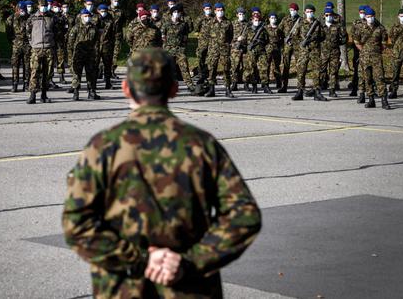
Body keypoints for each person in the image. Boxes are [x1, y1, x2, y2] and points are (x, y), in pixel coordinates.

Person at [62, 48, 262, 299]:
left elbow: (77, 224)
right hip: (190, 288)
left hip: (122, 289)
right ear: (174, 90)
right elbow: (244, 215)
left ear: (126, 89)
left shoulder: (103, 147)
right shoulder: (201, 145)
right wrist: (191, 261)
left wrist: (139, 261)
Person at [353, 7, 391, 109]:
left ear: (374, 16)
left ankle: (384, 100)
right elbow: (356, 41)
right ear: (365, 17)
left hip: (376, 58)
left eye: (372, 16)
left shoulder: (380, 28)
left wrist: (377, 51)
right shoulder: (360, 28)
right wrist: (363, 50)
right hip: (365, 58)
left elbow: (384, 43)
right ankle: (371, 99)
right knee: (367, 79)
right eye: (368, 17)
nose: (370, 18)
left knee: (380, 78)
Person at [292, 4, 327, 101]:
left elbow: (323, 36)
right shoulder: (301, 23)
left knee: (316, 71)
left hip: (315, 51)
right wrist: (301, 45)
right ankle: (299, 91)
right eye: (307, 11)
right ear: (304, 12)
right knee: (301, 71)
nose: (309, 13)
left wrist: (315, 40)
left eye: (311, 11)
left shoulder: (317, 23)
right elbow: (295, 36)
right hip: (303, 51)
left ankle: (317, 92)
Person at [26, 0, 56, 104]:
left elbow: (56, 32)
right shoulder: (32, 18)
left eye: (45, 5)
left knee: (47, 73)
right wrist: (33, 43)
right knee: (34, 72)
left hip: (48, 48)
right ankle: (32, 95)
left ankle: (44, 95)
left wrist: (52, 43)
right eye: (42, 5)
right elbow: (28, 32)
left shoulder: (52, 18)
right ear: (38, 6)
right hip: (36, 48)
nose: (43, 7)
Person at [68, 9, 101, 101]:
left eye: (88, 16)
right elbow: (70, 43)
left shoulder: (94, 28)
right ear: (81, 16)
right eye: (85, 16)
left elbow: (97, 42)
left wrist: (96, 54)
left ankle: (91, 92)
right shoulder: (76, 28)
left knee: (91, 74)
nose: (87, 18)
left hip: (90, 55)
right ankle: (76, 92)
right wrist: (71, 56)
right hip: (78, 55)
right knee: (76, 74)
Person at [161, 3, 195, 93]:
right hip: (169, 49)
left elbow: (185, 36)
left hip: (180, 49)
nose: (177, 13)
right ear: (172, 13)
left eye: (178, 12)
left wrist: (183, 46)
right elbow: (162, 36)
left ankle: (190, 85)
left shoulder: (183, 25)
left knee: (184, 67)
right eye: (175, 12)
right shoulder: (166, 24)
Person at [205, 3, 233, 97]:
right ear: (215, 11)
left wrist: (227, 44)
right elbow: (206, 35)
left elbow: (230, 36)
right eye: (218, 10)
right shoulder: (210, 22)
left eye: (221, 10)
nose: (220, 12)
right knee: (212, 69)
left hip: (224, 49)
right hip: (213, 49)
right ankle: (211, 89)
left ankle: (228, 89)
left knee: (226, 69)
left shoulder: (228, 23)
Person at [319, 7, 347, 97]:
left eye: (330, 15)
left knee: (333, 71)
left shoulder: (337, 26)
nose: (328, 17)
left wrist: (339, 43)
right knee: (321, 70)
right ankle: (321, 85)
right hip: (323, 52)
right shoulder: (320, 27)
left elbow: (344, 37)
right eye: (327, 15)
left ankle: (332, 89)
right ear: (324, 16)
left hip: (334, 52)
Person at [242, 10, 271, 94]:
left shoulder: (263, 30)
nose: (256, 21)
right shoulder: (248, 29)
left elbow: (267, 40)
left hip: (261, 52)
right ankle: (254, 86)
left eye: (258, 20)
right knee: (251, 69)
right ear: (252, 20)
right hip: (251, 52)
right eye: (255, 20)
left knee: (263, 68)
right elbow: (243, 41)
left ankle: (265, 86)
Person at [6, 1, 30, 92]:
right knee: (15, 65)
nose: (21, 11)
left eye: (23, 9)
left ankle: (26, 83)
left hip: (27, 45)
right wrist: (13, 42)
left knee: (27, 65)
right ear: (17, 9)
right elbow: (8, 33)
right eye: (20, 9)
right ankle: (15, 84)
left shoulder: (29, 18)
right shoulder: (11, 19)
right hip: (16, 45)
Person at [279, 3, 301, 93]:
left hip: (297, 45)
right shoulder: (285, 19)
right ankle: (284, 86)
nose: (292, 11)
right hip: (287, 45)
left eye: (294, 10)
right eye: (291, 10)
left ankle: (300, 87)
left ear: (297, 11)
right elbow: (279, 30)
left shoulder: (300, 20)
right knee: (286, 65)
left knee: (300, 66)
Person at [96, 4, 116, 89]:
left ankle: (108, 82)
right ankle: (93, 84)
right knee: (94, 65)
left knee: (107, 65)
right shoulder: (94, 19)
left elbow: (113, 33)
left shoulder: (110, 20)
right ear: (98, 11)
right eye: (101, 11)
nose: (103, 13)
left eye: (105, 11)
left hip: (107, 45)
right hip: (96, 45)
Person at [351, 5, 367, 100]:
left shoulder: (372, 22)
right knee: (357, 71)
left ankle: (371, 89)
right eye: (360, 12)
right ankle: (354, 89)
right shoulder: (356, 22)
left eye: (363, 12)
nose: (362, 14)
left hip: (369, 50)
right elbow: (353, 34)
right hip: (357, 50)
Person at [195, 2, 214, 83]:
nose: (208, 10)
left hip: (212, 42)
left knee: (211, 59)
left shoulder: (214, 18)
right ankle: (200, 74)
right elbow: (196, 29)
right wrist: (199, 36)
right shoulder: (200, 19)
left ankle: (210, 76)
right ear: (203, 9)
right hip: (202, 42)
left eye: (209, 9)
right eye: (206, 9)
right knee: (201, 58)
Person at [265, 12, 283, 92]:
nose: (273, 19)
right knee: (266, 66)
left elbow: (282, 39)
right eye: (271, 18)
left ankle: (278, 82)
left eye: (274, 18)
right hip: (267, 49)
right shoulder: (265, 28)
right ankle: (266, 83)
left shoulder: (279, 29)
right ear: (269, 19)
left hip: (276, 49)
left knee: (276, 66)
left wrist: (280, 47)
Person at [230, 7, 248, 91]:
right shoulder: (232, 24)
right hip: (235, 48)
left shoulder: (248, 24)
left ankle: (246, 84)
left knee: (246, 67)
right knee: (235, 66)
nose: (241, 15)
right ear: (237, 15)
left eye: (243, 14)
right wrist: (237, 39)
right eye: (240, 14)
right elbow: (229, 36)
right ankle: (234, 83)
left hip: (245, 48)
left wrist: (244, 39)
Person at [109, 0, 126, 79]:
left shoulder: (121, 12)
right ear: (111, 0)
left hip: (117, 35)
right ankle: (102, 70)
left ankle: (112, 71)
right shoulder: (106, 10)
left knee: (116, 53)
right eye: (114, 0)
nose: (116, 1)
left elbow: (122, 23)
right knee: (106, 53)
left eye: (117, 0)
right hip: (107, 36)